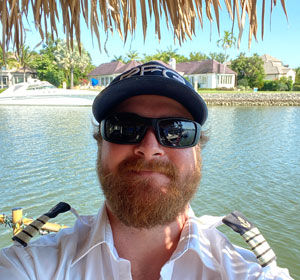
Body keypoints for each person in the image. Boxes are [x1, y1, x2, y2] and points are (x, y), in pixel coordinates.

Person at [0, 61, 292, 280]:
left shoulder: (248, 273)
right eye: (124, 128)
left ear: (198, 151)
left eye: (177, 131)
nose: (150, 147)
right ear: (100, 144)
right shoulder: (32, 266)